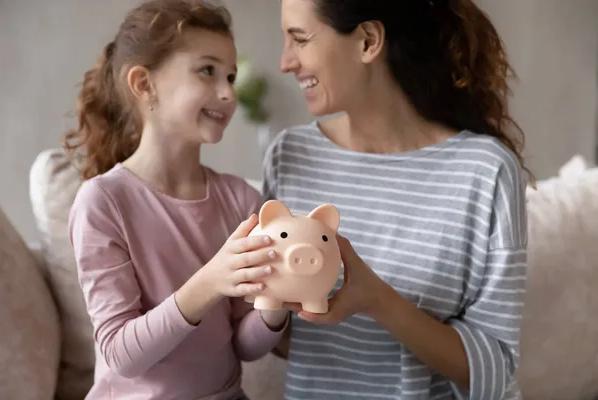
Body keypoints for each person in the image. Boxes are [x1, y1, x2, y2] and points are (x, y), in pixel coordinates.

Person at [266, 0, 529, 399]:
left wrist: (376, 299)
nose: (285, 62)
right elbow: (286, 340)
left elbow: (495, 371)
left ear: (368, 41)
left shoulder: (484, 171)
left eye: (299, 39)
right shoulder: (290, 156)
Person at [64, 1, 289, 399]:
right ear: (143, 84)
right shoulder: (103, 202)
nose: (227, 94)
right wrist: (211, 280)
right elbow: (120, 354)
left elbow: (244, 345)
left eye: (231, 76)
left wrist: (275, 304)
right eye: (208, 71)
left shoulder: (241, 200)